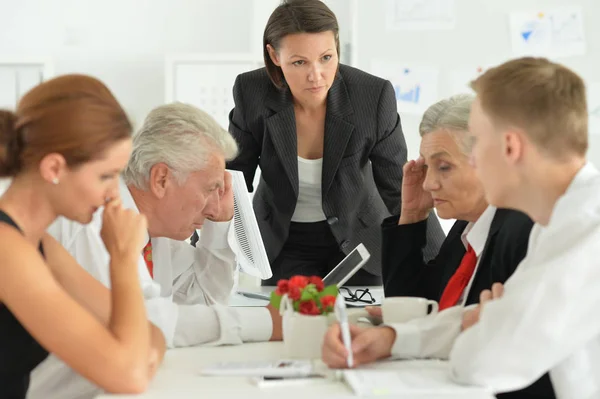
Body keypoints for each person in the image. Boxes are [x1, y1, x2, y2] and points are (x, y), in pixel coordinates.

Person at [26, 102, 283, 399]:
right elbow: (147, 323)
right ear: (161, 179)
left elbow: (206, 302)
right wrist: (267, 322)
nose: (214, 207)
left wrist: (220, 225)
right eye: (210, 189)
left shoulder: (157, 232)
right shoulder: (97, 220)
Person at [321, 94, 553, 398]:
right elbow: (414, 308)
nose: (428, 183)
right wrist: (413, 216)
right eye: (426, 167)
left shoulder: (523, 232)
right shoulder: (468, 225)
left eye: (443, 167)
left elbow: (508, 357)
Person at [226, 0, 444, 285]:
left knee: (358, 326)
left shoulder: (373, 96)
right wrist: (205, 249)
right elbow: (232, 181)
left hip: (360, 239)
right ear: (274, 55)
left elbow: (399, 189)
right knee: (287, 324)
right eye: (299, 62)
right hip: (282, 241)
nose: (316, 75)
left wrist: (441, 264)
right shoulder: (251, 91)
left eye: (326, 58)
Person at [0, 75, 166, 399]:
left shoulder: (40, 244)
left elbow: (151, 334)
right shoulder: (8, 251)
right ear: (54, 169)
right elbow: (130, 375)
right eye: (105, 175)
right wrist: (122, 259)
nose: (112, 194)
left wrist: (138, 356)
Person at [447, 58, 600, 398]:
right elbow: (502, 319)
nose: (472, 161)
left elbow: (484, 363)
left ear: (510, 147)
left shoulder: (586, 230)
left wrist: (492, 322)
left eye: (476, 142)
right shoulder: (557, 223)